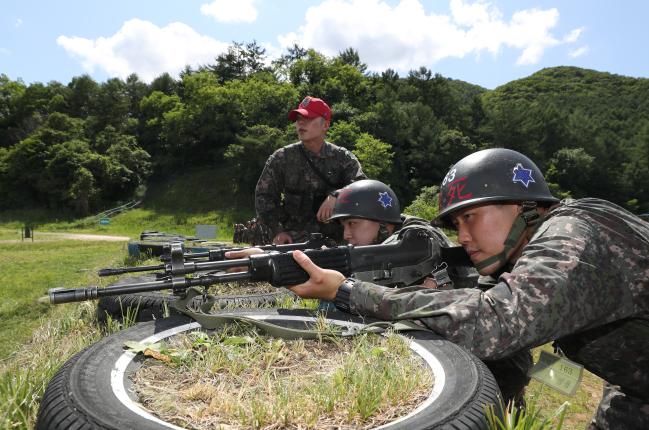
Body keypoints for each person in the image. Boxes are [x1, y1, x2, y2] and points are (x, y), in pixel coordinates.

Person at [287, 148, 649, 429]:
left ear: (524, 206)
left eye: (471, 217)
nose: (461, 236)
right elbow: (470, 306)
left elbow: (495, 324)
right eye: (456, 223)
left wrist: (349, 292)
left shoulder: (573, 234)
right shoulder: (513, 254)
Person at [255, 96, 366, 245]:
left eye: (308, 118)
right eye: (298, 119)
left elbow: (362, 186)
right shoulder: (282, 158)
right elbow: (264, 197)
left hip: (337, 240)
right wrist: (278, 231)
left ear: (325, 125)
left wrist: (337, 195)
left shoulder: (342, 157)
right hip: (293, 240)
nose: (301, 123)